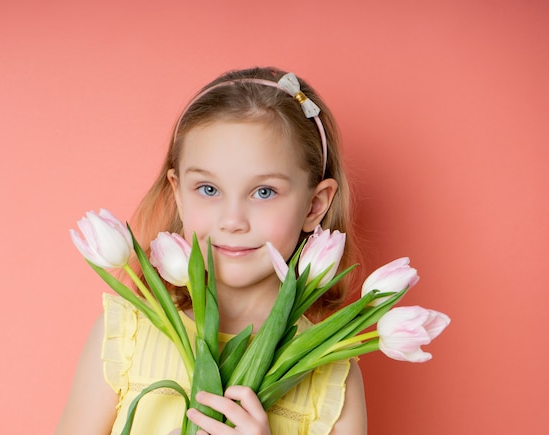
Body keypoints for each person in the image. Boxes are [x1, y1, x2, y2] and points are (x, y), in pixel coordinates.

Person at [56, 67, 367, 434]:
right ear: (179, 194)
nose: (232, 220)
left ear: (315, 206)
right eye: (207, 189)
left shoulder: (329, 368)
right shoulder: (125, 335)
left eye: (264, 192)